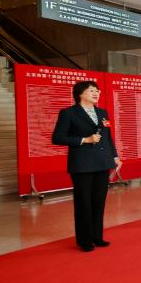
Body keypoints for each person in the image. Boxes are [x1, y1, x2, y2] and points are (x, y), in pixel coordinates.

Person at [51, 80, 122, 251]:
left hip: (102, 162)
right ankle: (84, 240)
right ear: (80, 94)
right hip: (82, 164)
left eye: (97, 91)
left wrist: (115, 156)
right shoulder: (69, 113)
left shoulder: (102, 112)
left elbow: (107, 137)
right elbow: (57, 137)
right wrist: (84, 140)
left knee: (99, 202)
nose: (96, 93)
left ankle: (97, 236)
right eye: (91, 90)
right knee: (84, 203)